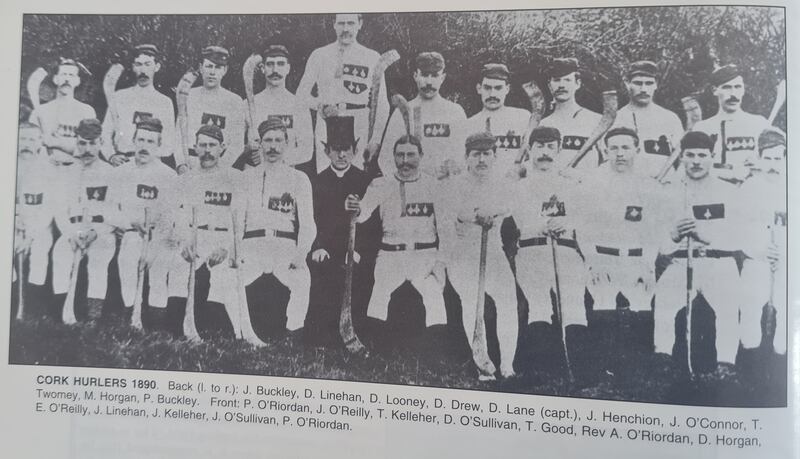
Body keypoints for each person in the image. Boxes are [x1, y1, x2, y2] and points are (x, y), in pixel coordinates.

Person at [574, 127, 666, 376]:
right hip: (603, 257)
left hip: (637, 258)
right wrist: (592, 261)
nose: (620, 153)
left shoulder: (649, 185)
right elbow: (583, 227)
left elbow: (654, 230)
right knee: (602, 303)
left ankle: (637, 368)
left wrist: (648, 265)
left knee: (641, 304)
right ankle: (604, 367)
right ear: (605, 151)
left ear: (637, 150)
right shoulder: (592, 182)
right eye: (614, 148)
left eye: (626, 148)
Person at [348, 132, 448, 353]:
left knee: (434, 297)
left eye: (411, 155)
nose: (405, 161)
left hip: (424, 254)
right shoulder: (381, 184)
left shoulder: (434, 186)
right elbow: (362, 213)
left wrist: (440, 262)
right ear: (393, 157)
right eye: (400, 155)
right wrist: (354, 206)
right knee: (380, 294)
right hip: (390, 252)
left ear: (421, 156)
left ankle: (433, 355)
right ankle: (377, 352)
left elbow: (445, 228)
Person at [654, 131, 746, 371]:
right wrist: (673, 235)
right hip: (681, 261)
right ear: (681, 158)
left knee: (728, 308)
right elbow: (659, 241)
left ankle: (725, 366)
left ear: (712, 157)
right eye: (690, 155)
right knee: (664, 300)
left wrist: (707, 237)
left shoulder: (729, 192)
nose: (696, 161)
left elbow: (740, 236)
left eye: (702, 155)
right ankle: (662, 361)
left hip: (719, 262)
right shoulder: (667, 191)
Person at [510, 126, 588, 377]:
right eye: (540, 147)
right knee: (539, 305)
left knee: (574, 304)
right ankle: (542, 370)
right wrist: (543, 225)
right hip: (532, 251)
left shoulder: (572, 184)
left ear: (559, 150)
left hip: (566, 250)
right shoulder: (519, 185)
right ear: (530, 150)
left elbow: (583, 217)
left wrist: (567, 223)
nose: (545, 153)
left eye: (551, 147)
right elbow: (520, 221)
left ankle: (578, 368)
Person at [440, 131, 518, 380]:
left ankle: (507, 366)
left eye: (487, 154)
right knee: (473, 303)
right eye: (476, 155)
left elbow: (508, 206)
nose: (482, 160)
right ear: (466, 157)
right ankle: (482, 363)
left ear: (494, 157)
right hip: (463, 252)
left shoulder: (502, 183)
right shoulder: (454, 184)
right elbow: (454, 213)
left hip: (493, 251)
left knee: (508, 302)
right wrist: (475, 215)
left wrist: (491, 212)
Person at [167, 124, 244, 339]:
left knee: (224, 277)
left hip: (222, 238)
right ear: (195, 147)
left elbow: (240, 221)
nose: (207, 150)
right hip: (194, 236)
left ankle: (227, 332)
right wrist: (184, 242)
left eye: (212, 145)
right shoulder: (185, 180)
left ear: (222, 148)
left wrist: (227, 247)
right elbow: (179, 216)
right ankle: (178, 328)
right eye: (202, 145)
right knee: (178, 270)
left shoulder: (235, 178)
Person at [241, 118, 316, 338]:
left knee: (302, 278)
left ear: (286, 144)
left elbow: (308, 224)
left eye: (278, 141)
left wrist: (302, 253)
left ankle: (293, 335)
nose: (273, 146)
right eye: (268, 140)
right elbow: (236, 220)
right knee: (231, 276)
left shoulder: (299, 179)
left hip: (284, 244)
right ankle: (243, 332)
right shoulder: (246, 177)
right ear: (260, 144)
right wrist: (237, 251)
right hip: (252, 244)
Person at [307, 116, 374, 346]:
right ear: (327, 151)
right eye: (336, 149)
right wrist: (317, 246)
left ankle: (354, 331)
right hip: (324, 247)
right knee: (321, 274)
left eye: (346, 149)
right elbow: (311, 219)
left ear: (354, 150)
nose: (341, 155)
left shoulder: (365, 181)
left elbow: (371, 225)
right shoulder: (316, 182)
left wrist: (355, 250)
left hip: (353, 249)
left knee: (360, 276)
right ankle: (323, 337)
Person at [297, 13, 390, 173]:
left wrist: (375, 139)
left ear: (360, 23)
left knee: (358, 176)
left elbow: (382, 103)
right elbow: (301, 94)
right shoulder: (319, 55)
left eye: (351, 23)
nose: (345, 29)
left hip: (359, 121)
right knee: (327, 177)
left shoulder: (372, 57)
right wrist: (320, 106)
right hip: (328, 121)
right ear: (333, 23)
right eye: (341, 23)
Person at [112, 117, 177, 330]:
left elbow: (170, 214)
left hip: (159, 236)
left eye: (150, 142)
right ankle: (132, 318)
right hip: (132, 233)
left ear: (158, 146)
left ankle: (157, 326)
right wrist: (129, 223)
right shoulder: (121, 173)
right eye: (140, 140)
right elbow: (110, 210)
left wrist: (155, 239)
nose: (144, 146)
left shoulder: (168, 175)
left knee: (159, 270)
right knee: (127, 259)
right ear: (133, 141)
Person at [51, 119, 119, 323]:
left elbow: (116, 210)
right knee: (60, 252)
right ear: (76, 143)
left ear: (101, 142)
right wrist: (71, 233)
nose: (87, 149)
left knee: (98, 258)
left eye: (92, 143)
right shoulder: (67, 172)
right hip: (73, 229)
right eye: (82, 143)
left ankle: (93, 318)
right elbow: (60, 210)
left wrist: (97, 231)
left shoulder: (111, 173)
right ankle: (63, 313)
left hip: (100, 231)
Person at [738, 129, 787, 377]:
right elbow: (739, 228)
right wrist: (758, 250)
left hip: (787, 264)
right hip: (756, 261)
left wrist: (787, 253)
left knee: (787, 309)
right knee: (750, 309)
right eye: (767, 159)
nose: (773, 165)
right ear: (759, 158)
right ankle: (751, 366)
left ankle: (780, 364)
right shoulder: (749, 188)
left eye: (778, 159)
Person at [378, 52, 466, 179]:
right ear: (415, 76)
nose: (429, 82)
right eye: (424, 75)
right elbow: (386, 158)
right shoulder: (403, 112)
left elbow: (465, 155)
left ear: (443, 77)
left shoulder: (455, 112)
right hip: (412, 189)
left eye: (435, 75)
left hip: (447, 188)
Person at [693, 64, 771, 184]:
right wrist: (727, 174)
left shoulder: (759, 124)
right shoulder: (702, 128)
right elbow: (693, 168)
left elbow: (776, 165)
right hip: (714, 194)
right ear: (715, 90)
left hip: (750, 194)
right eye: (727, 87)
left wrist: (759, 164)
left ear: (744, 89)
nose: (733, 94)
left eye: (738, 87)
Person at [102, 44, 177, 168]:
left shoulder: (164, 102)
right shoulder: (120, 97)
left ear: (157, 67)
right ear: (132, 67)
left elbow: (169, 143)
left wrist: (148, 156)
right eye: (138, 64)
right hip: (122, 163)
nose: (143, 71)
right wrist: (111, 156)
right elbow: (105, 133)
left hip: (152, 165)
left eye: (148, 64)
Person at [239, 44, 313, 168]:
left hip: (285, 177)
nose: (275, 70)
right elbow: (233, 146)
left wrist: (272, 157)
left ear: (288, 68)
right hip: (253, 176)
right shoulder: (247, 105)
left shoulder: (299, 105)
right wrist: (247, 150)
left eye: (280, 64)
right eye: (270, 64)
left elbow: (307, 151)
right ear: (262, 68)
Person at [13, 122, 58, 318]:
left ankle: (33, 305)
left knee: (40, 251)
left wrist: (30, 234)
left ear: (40, 142)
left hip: (39, 227)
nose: (26, 144)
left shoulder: (47, 169)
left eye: (31, 139)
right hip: (13, 226)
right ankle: (13, 302)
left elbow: (49, 209)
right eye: (22, 138)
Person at [612, 60, 685, 179]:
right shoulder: (616, 119)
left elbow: (682, 159)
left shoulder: (670, 118)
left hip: (663, 188)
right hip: (625, 188)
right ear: (627, 83)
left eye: (649, 83)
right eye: (638, 83)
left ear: (656, 85)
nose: (644, 89)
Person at [458, 63, 529, 179]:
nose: (492, 94)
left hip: (514, 189)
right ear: (479, 88)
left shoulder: (522, 118)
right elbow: (462, 164)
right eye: (487, 88)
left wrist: (521, 170)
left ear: (507, 89)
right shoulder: (468, 125)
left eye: (498, 88)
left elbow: (534, 159)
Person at [181, 46, 245, 171]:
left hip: (220, 166)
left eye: (218, 67)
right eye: (209, 66)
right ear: (201, 68)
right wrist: (181, 165)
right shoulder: (188, 96)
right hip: (190, 165)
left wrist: (220, 169)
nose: (212, 72)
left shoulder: (234, 101)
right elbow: (178, 135)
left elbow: (237, 145)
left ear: (225, 70)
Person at [28, 58, 96, 165]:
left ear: (77, 81)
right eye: (64, 74)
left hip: (77, 169)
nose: (67, 79)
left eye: (71, 75)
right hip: (47, 169)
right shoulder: (40, 112)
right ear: (56, 79)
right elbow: (31, 145)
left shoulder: (87, 111)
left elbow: (89, 148)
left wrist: (55, 143)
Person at [538, 58, 603, 170]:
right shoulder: (542, 124)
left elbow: (607, 162)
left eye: (567, 80)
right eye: (557, 80)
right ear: (549, 85)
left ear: (577, 84)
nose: (561, 85)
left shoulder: (596, 120)